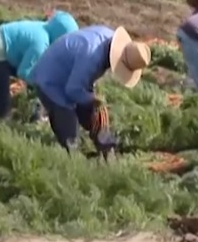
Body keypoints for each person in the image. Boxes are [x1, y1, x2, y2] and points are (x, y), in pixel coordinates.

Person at [29, 25, 151, 156]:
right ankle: (71, 159)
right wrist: (93, 98)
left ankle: (104, 144)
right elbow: (72, 90)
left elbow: (82, 80)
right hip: (51, 81)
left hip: (69, 76)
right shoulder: (92, 56)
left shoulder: (108, 37)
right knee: (70, 135)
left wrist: (93, 102)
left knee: (94, 113)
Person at [0, 11, 79, 119]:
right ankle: (2, 124)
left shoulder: (44, 30)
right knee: (3, 100)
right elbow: (24, 72)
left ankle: (33, 112)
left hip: (4, 50)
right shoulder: (40, 43)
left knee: (37, 78)